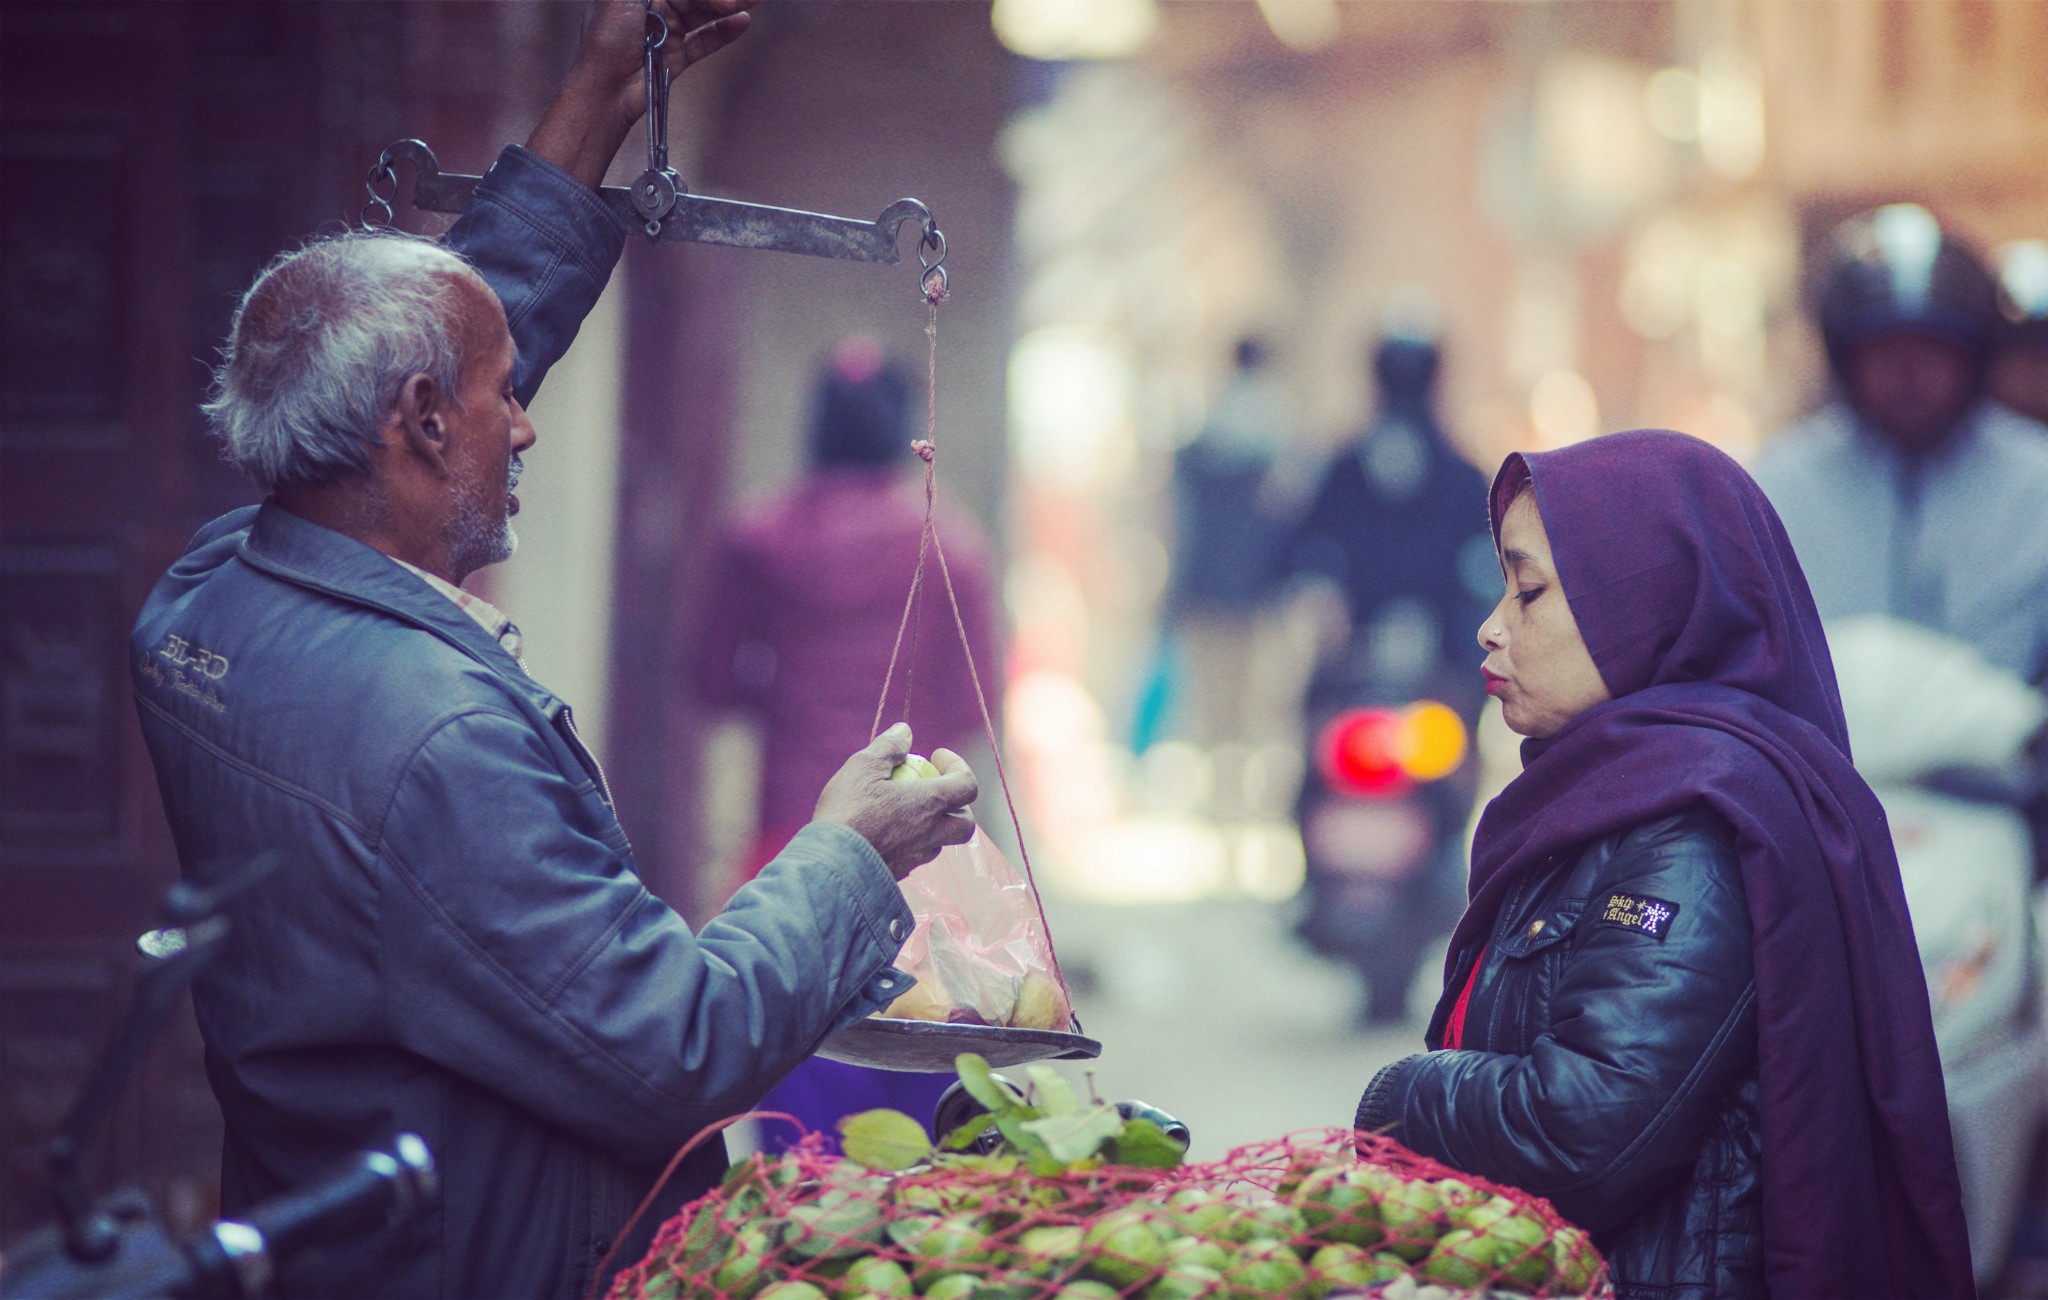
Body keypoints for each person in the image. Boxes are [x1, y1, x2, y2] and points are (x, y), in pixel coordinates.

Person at [127, 5, 979, 1298]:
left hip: (334, 1232)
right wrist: (850, 855)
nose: (524, 431)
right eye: (503, 397)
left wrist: (596, 97)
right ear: (415, 424)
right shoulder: (438, 742)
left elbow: (456, 332)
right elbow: (675, 1048)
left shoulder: (202, 604)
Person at [1354, 431, 1972, 1297]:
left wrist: (1397, 1099)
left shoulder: (1694, 825)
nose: (1493, 627)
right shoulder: (1612, 792)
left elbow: (1581, 1130)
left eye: (1530, 591)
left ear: (1640, 604)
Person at [694, 336, 1003, 1143]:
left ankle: (804, 1238)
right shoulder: (954, 545)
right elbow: (979, 706)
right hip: (922, 843)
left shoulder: (761, 535)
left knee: (797, 1044)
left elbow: (710, 679)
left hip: (794, 837)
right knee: (915, 1055)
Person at [1279, 321, 1495, 1025]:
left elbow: (1484, 568)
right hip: (1363, 677)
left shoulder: (1445, 474)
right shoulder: (1421, 470)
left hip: (1427, 680)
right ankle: (1313, 880)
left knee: (1451, 778)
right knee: (1313, 761)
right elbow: (1304, 555)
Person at [1752, 202, 2048, 686]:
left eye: (1933, 349)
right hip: (1823, 754)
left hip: (2006, 757)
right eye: (1886, 350)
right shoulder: (1783, 482)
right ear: (1845, 357)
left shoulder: (2037, 480)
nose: (1909, 375)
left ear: (1975, 355)